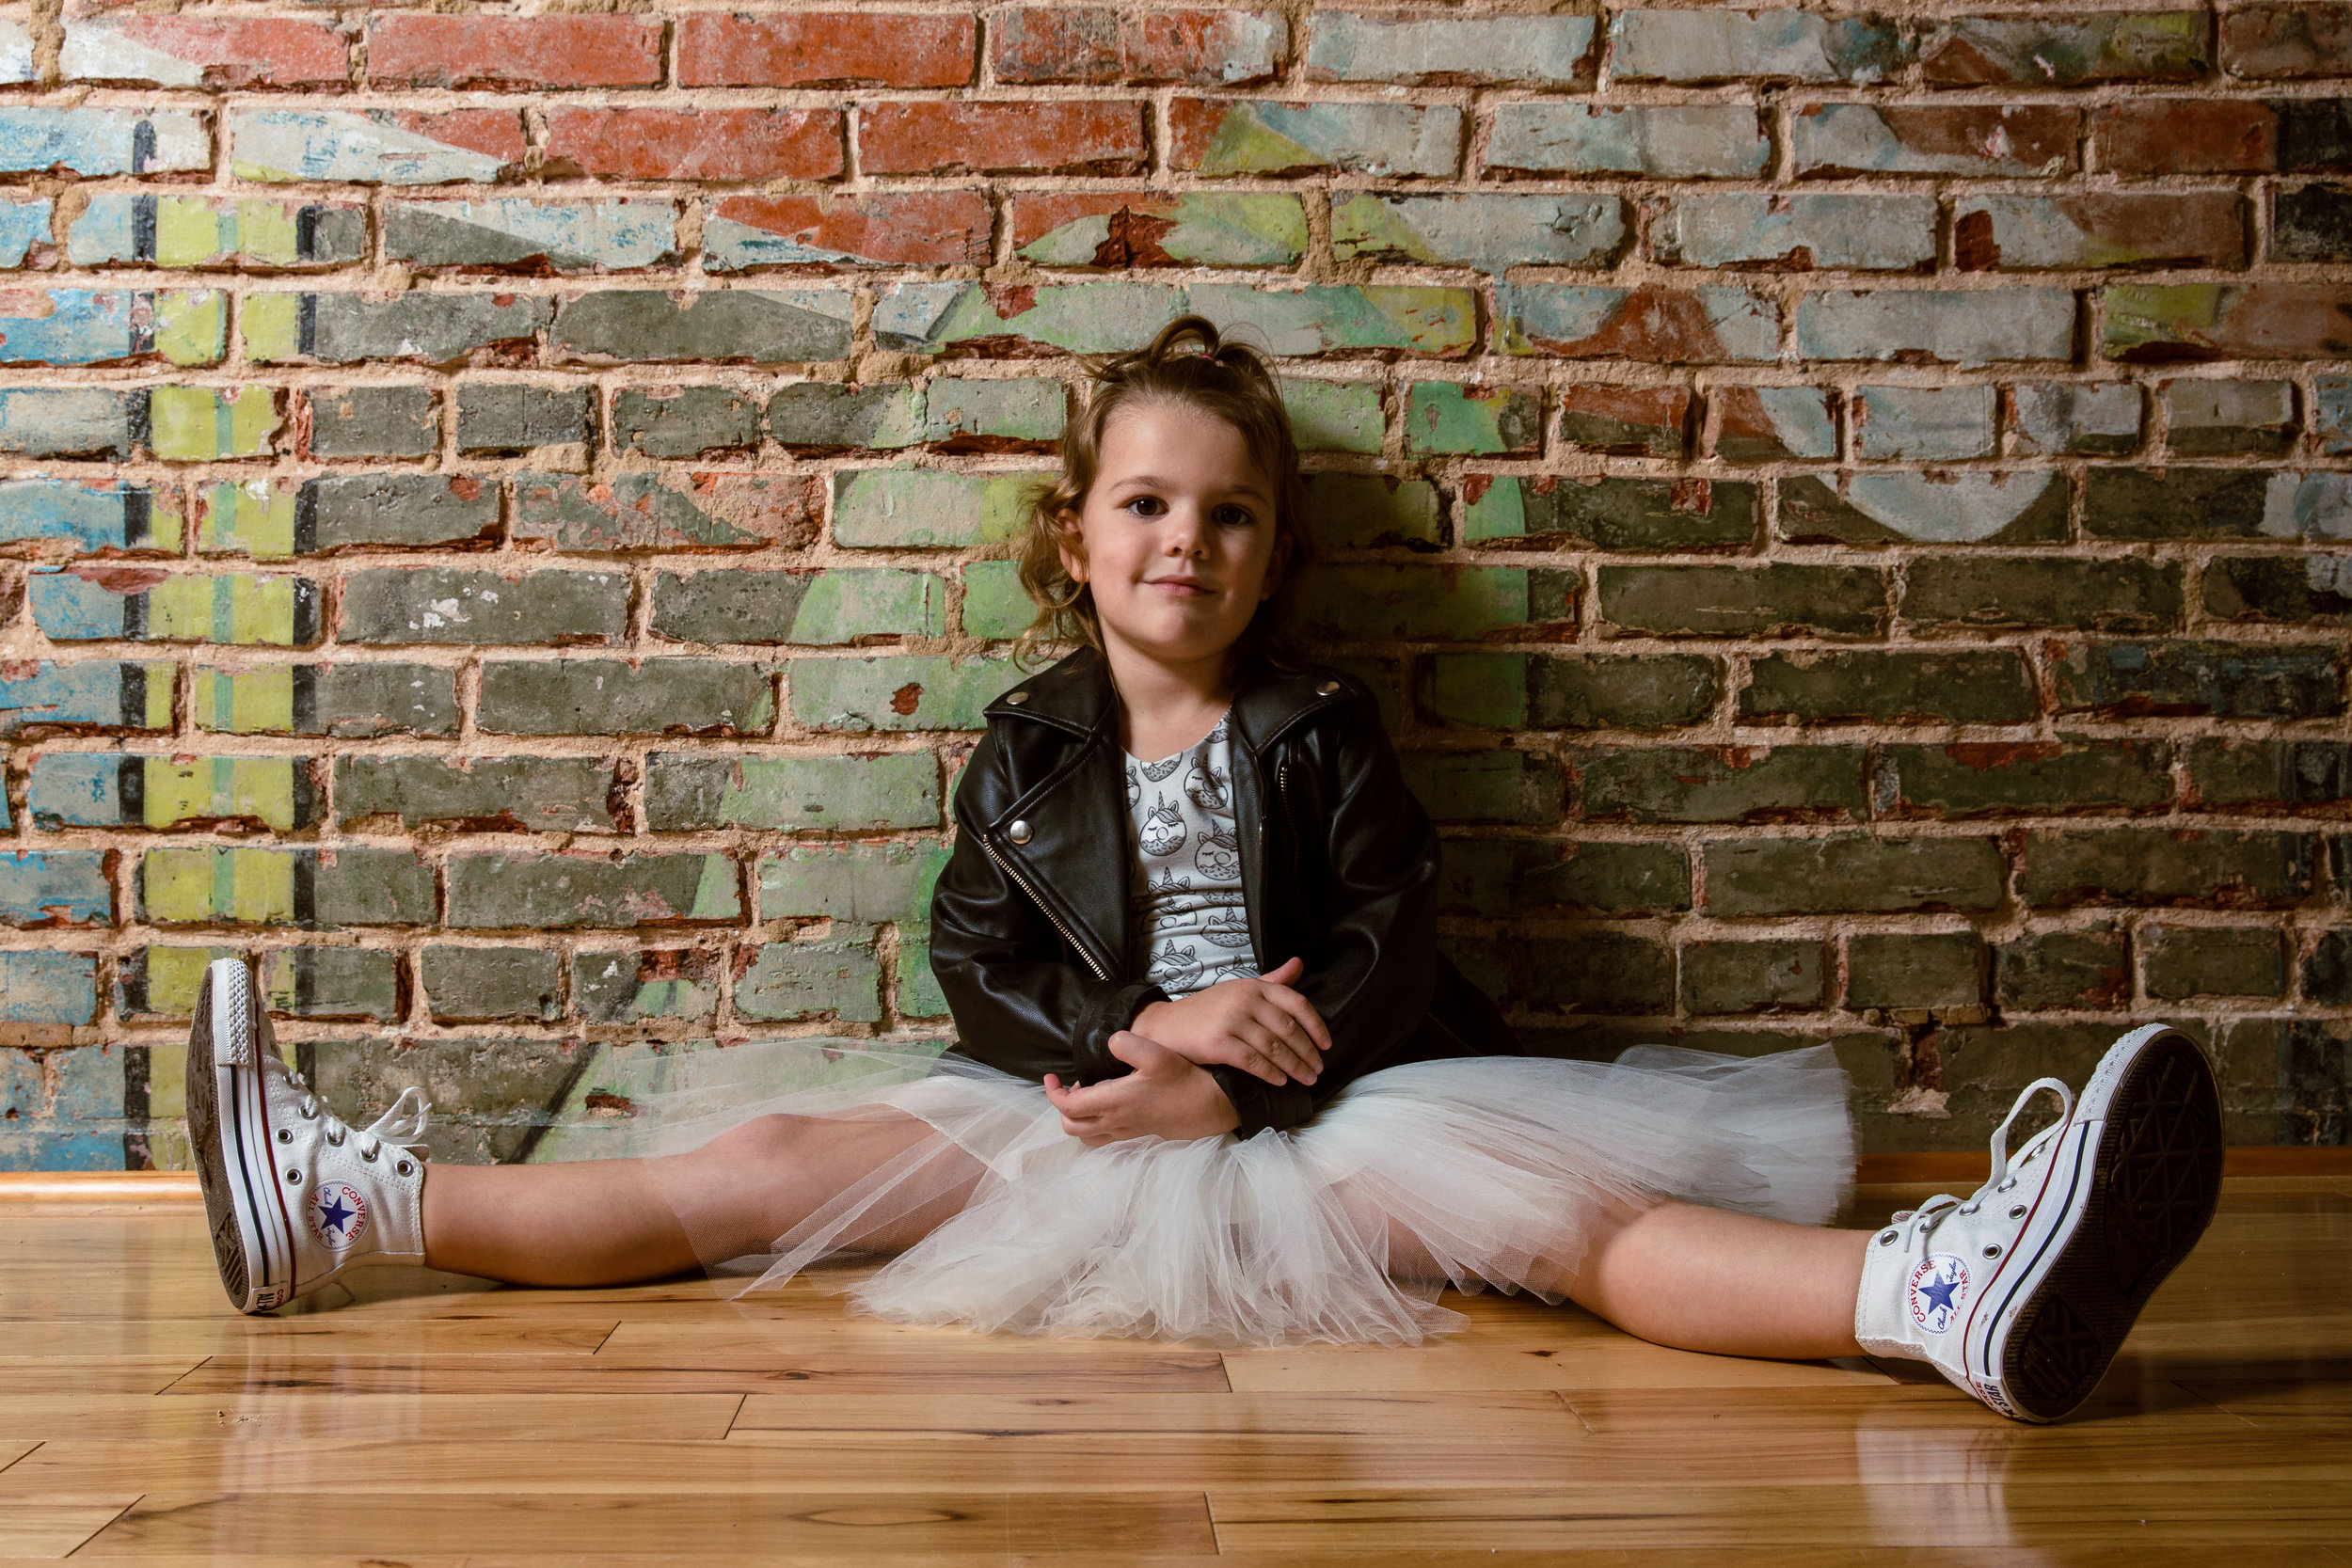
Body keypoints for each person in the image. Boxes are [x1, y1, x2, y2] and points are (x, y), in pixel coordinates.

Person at [183, 317, 2223, 1424]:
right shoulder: (1025, 747)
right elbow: (968, 956)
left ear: (1272, 556)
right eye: (1147, 505)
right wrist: (1122, 1038)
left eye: (1231, 516)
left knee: (1575, 1228)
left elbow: (1394, 940)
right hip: (1067, 1112)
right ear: (1073, 536)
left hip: (1328, 1105)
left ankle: (1931, 1294)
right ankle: (352, 1208)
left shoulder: (1316, 730)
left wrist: (1239, 1073)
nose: (1187, 544)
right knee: (760, 1162)